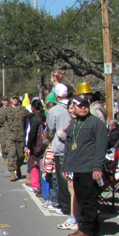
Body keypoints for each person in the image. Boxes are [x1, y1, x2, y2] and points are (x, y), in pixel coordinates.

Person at [62, 94, 108, 236]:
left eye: (86, 105)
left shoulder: (96, 123)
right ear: (73, 107)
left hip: (90, 168)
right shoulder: (73, 124)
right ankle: (92, 227)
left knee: (89, 201)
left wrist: (97, 167)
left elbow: (101, 147)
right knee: (81, 199)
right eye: (80, 105)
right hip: (76, 168)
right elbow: (68, 146)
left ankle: (87, 230)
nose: (83, 108)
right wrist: (65, 166)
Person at [45, 84, 72, 218]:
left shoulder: (54, 110)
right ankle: (72, 206)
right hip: (76, 147)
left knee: (63, 178)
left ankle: (66, 206)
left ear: (56, 95)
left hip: (61, 147)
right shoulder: (74, 107)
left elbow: (51, 129)